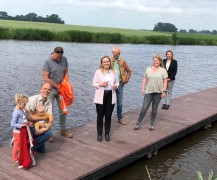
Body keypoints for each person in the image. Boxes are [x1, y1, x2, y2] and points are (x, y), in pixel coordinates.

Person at [42, 47, 73, 141]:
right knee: (49, 111)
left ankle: (63, 130)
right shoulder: (47, 61)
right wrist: (57, 86)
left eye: (60, 57)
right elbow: (46, 78)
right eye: (57, 58)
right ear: (53, 53)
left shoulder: (64, 59)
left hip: (61, 89)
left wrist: (65, 82)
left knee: (63, 110)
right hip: (50, 90)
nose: (59, 59)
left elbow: (66, 72)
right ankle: (47, 133)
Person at [134, 55, 168, 131]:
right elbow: (145, 79)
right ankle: (138, 122)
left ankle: (151, 123)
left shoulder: (163, 70)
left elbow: (165, 82)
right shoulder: (148, 69)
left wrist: (164, 91)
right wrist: (143, 88)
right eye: (154, 60)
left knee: (154, 108)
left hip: (158, 93)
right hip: (148, 92)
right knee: (144, 107)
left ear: (160, 62)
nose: (155, 62)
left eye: (157, 60)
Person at [93, 56, 119, 142]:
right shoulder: (98, 72)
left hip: (110, 95)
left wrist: (115, 86)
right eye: (104, 62)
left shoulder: (114, 72)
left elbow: (117, 82)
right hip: (100, 96)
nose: (106, 63)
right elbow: (93, 84)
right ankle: (99, 134)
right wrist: (100, 84)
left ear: (110, 62)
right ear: (101, 63)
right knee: (100, 116)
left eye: (107, 61)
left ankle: (107, 134)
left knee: (108, 116)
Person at [26, 82, 52, 153]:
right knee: (49, 134)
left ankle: (30, 144)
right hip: (28, 126)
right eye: (45, 88)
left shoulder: (49, 103)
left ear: (50, 91)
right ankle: (28, 149)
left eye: (48, 89)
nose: (46, 91)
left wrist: (45, 128)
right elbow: (29, 117)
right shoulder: (33, 99)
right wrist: (43, 118)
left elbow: (50, 119)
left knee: (42, 150)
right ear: (40, 89)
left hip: (39, 125)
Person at [111, 46, 131, 125]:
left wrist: (126, 80)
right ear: (112, 52)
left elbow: (129, 71)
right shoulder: (109, 60)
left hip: (119, 85)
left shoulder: (122, 61)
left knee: (120, 102)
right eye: (116, 53)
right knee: (109, 102)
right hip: (110, 86)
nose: (117, 55)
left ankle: (120, 118)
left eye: (119, 53)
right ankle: (106, 118)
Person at [11, 94, 28, 166]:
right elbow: (12, 124)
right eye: (24, 104)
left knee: (21, 146)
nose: (25, 105)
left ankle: (20, 157)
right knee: (16, 147)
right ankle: (15, 160)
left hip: (22, 132)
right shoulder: (16, 112)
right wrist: (21, 125)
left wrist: (26, 112)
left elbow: (24, 117)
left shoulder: (21, 110)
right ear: (19, 103)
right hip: (17, 132)